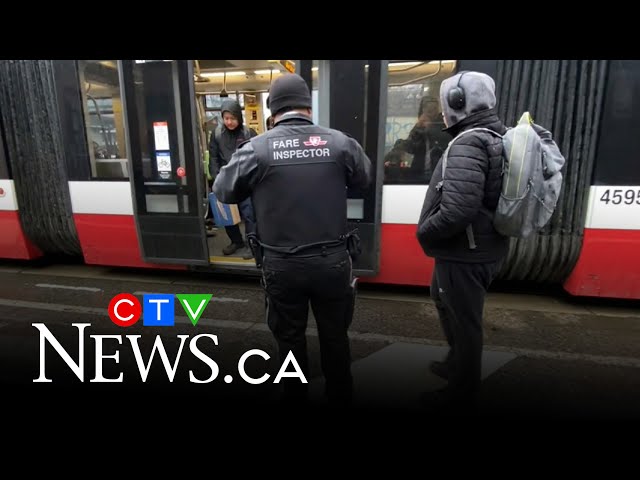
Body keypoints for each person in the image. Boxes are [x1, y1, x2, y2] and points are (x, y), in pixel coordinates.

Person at [213, 73, 372, 407]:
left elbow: (223, 190)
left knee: (288, 339)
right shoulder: (339, 142)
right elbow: (364, 178)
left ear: (273, 110)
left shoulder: (256, 148)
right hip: (333, 261)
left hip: (281, 264)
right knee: (335, 337)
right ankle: (340, 396)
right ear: (307, 106)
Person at [416, 71, 509, 411]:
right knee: (440, 295)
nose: (442, 111)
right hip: (479, 246)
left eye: (445, 103)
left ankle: (462, 388)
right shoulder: (492, 134)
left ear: (458, 103)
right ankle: (456, 361)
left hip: (466, 251)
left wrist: (424, 232)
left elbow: (458, 210)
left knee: (466, 320)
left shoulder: (470, 141)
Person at [209, 98, 257, 258]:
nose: (229, 122)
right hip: (226, 181)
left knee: (250, 214)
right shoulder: (216, 135)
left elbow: (256, 157)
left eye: (233, 118)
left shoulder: (249, 133)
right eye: (226, 118)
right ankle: (236, 241)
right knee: (227, 214)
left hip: (244, 181)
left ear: (239, 117)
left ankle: (251, 244)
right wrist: (217, 180)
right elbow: (214, 158)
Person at [384, 96, 450, 183]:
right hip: (418, 175)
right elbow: (409, 149)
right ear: (422, 112)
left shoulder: (443, 125)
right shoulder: (419, 129)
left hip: (438, 175)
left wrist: (431, 127)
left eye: (434, 109)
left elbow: (443, 140)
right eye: (428, 111)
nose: (431, 113)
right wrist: (417, 129)